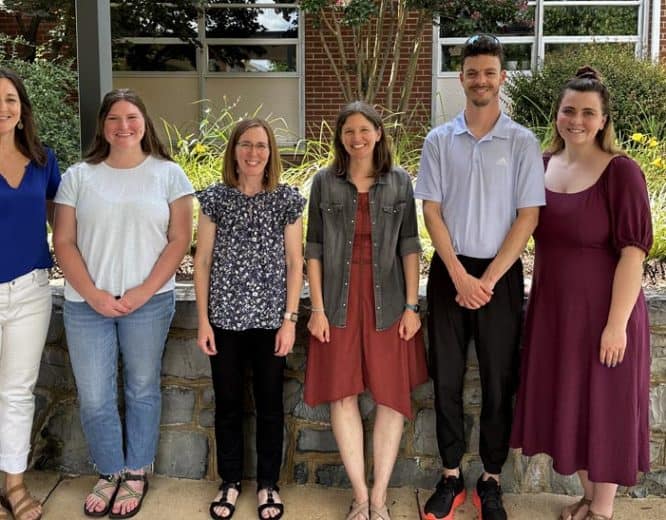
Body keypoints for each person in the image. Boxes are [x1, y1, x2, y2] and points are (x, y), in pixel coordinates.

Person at [510, 67, 653, 520]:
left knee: (604, 408)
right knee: (572, 405)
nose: (577, 120)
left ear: (603, 120)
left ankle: (602, 510)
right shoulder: (542, 166)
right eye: (568, 110)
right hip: (556, 314)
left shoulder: (621, 173)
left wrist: (616, 326)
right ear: (557, 115)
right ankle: (589, 497)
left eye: (588, 112)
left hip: (605, 313)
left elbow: (633, 254)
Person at [415, 34, 545, 520]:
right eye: (472, 73)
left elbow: (528, 217)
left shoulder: (522, 141)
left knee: (498, 380)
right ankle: (450, 475)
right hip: (450, 272)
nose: (481, 80)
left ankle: (491, 479)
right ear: (462, 77)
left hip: (500, 276)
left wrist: (486, 280)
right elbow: (431, 212)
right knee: (446, 379)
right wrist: (459, 276)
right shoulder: (438, 140)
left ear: (502, 77)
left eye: (489, 72)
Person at [53, 89, 193, 519]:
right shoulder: (79, 176)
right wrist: (94, 294)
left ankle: (136, 471)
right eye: (114, 118)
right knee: (95, 395)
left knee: (142, 388)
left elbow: (179, 240)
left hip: (148, 302)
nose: (123, 126)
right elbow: (64, 241)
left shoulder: (168, 174)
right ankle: (109, 470)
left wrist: (143, 291)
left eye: (131, 117)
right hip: (85, 303)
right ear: (103, 126)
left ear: (145, 122)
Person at [304, 101, 428, 520]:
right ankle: (359, 497)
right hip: (336, 304)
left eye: (364, 130)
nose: (357, 139)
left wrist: (411, 306)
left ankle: (379, 497)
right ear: (340, 138)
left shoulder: (399, 181)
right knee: (342, 396)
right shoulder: (324, 182)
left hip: (388, 303)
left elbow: (410, 246)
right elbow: (314, 248)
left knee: (391, 398)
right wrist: (317, 308)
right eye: (348, 132)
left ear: (378, 134)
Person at [194, 118, 305, 520]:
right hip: (224, 320)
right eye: (245, 144)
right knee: (228, 404)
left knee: (270, 405)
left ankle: (268, 485)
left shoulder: (286, 200)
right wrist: (203, 321)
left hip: (271, 322)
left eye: (261, 145)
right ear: (234, 150)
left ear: (271, 152)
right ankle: (229, 481)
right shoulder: (216, 199)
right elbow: (202, 261)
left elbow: (295, 263)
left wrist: (290, 320)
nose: (253, 153)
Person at [0, 68, 60, 520]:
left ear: (21, 109)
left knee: (18, 392)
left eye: (9, 99)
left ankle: (14, 486)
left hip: (31, 290)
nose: (2, 108)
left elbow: (64, 223)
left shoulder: (43, 160)